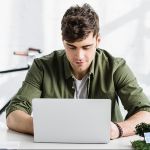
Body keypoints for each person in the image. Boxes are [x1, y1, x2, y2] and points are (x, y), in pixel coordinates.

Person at [6, 3, 150, 140]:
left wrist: (117, 130)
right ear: (63, 41)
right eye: (72, 47)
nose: (79, 56)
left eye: (86, 47)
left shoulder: (116, 67)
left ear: (98, 41)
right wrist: (46, 128)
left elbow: (146, 112)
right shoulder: (42, 67)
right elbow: (13, 115)